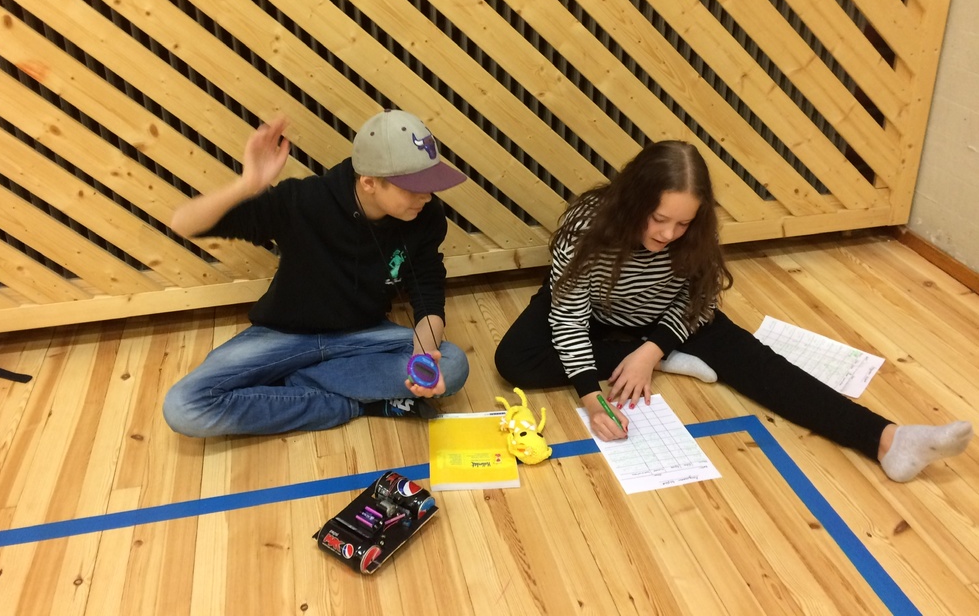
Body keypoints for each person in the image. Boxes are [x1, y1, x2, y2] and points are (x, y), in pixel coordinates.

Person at [495, 140, 972, 482]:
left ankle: (888, 440)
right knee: (514, 360)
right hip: (593, 312)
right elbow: (568, 316)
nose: (668, 234)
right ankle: (667, 358)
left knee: (760, 363)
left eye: (682, 223)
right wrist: (590, 395)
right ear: (632, 201)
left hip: (668, 318)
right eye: (658, 219)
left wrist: (652, 348)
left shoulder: (696, 230)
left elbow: (699, 299)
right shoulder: (586, 226)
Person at [163, 110, 470, 437]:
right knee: (184, 406)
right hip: (283, 335)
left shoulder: (426, 216)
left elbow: (427, 292)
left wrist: (423, 357)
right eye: (413, 187)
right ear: (369, 182)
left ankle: (293, 381)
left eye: (430, 184)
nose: (426, 196)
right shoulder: (303, 201)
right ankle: (356, 404)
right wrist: (247, 185)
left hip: (361, 337)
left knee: (452, 364)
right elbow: (184, 223)